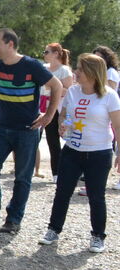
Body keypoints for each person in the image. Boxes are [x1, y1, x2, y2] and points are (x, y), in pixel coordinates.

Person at [0, 28, 60, 234]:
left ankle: (13, 219)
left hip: (27, 130)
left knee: (22, 177)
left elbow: (57, 85)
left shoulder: (31, 66)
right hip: (1, 130)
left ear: (10, 44)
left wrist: (48, 116)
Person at [38, 53, 119, 254]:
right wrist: (61, 126)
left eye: (80, 69)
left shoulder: (109, 95)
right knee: (62, 193)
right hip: (72, 151)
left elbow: (118, 126)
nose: (76, 72)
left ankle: (98, 236)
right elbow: (63, 114)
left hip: (99, 154)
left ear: (92, 72)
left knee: (96, 196)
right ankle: (53, 230)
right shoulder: (73, 91)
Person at [38, 43, 73, 181]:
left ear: (56, 54)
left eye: (46, 52)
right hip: (41, 106)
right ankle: (32, 170)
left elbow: (70, 90)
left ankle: (58, 173)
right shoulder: (43, 68)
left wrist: (54, 87)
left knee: (56, 141)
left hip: (57, 107)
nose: (44, 54)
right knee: (38, 139)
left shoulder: (64, 70)